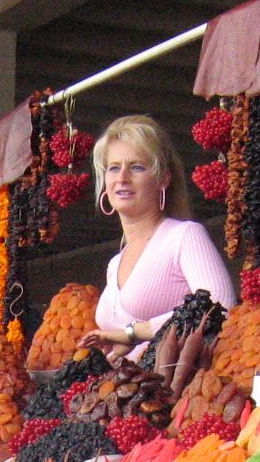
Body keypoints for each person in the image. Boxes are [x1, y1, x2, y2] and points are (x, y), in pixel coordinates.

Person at [79, 114, 236, 360]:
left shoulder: (184, 236)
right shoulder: (115, 264)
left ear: (163, 178)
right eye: (114, 168)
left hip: (172, 392)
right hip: (123, 392)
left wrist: (133, 333)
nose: (122, 178)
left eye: (137, 167)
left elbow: (219, 307)